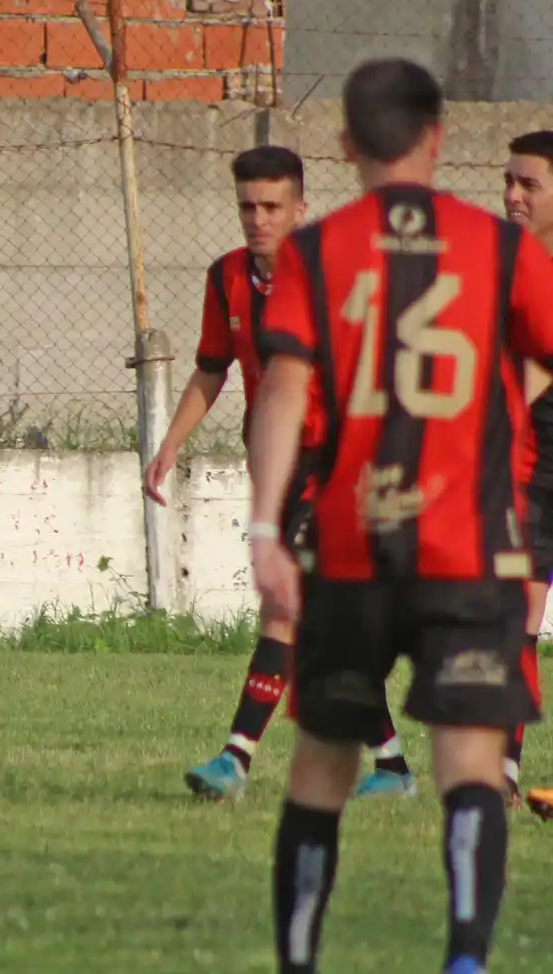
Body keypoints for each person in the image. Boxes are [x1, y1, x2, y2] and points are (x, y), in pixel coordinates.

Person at [249, 57, 553, 974]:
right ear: (438, 139)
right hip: (469, 550)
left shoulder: (311, 251)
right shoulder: (502, 250)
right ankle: (464, 959)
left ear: (345, 146)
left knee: (321, 768)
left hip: (349, 550)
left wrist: (265, 528)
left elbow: (280, 388)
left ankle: (299, 961)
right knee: (468, 766)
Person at [144, 146, 415, 801]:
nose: (257, 219)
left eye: (271, 206)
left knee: (285, 611)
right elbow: (213, 367)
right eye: (246, 206)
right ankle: (393, 766)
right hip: (278, 471)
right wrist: (169, 446)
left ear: (301, 208)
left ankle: (235, 759)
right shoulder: (227, 279)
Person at [503, 131, 553, 816]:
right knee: (515, 620)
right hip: (533, 465)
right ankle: (505, 777)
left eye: (529, 185)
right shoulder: (503, 265)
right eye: (507, 181)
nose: (512, 195)